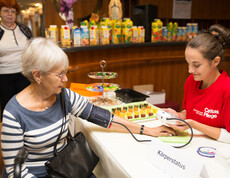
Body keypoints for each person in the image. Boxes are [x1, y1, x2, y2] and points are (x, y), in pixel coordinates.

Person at [1, 37, 175, 178]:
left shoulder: (65, 96)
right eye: (59, 74)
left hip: (66, 168)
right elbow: (14, 170)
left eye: (65, 73)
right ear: (37, 75)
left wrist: (147, 130)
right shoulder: (14, 114)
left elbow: (105, 118)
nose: (65, 80)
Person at [164, 24, 230, 143]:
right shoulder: (191, 82)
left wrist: (194, 125)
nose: (190, 70)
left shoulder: (227, 89)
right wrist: (178, 116)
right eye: (188, 63)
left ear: (215, 61)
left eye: (196, 65)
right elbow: (191, 113)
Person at [0, 1, 33, 120]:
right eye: (6, 10)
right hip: (3, 76)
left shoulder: (24, 29)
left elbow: (32, 49)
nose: (10, 14)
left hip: (24, 74)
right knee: (7, 107)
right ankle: (8, 133)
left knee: (26, 105)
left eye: (13, 11)